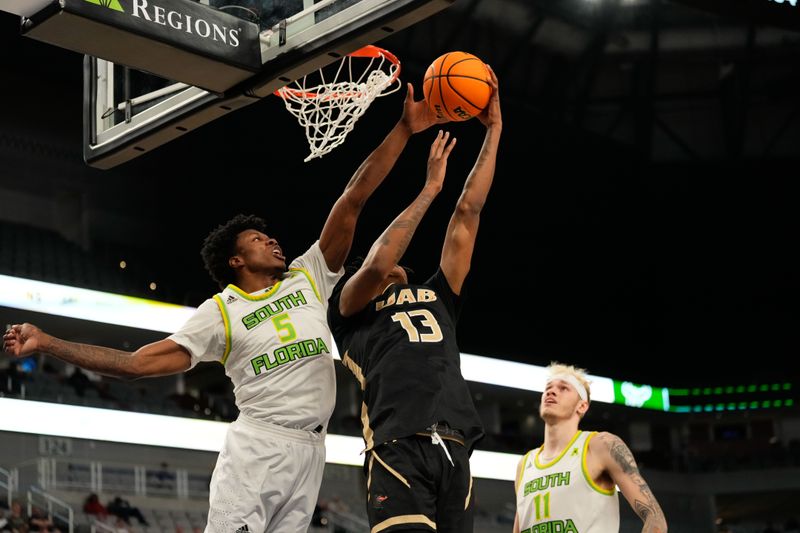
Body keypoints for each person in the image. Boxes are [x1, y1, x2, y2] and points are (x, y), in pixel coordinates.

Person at [2, 82, 445, 533]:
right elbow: (136, 365)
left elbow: (354, 198)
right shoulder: (221, 311)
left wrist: (404, 130)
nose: (272, 240)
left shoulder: (307, 275)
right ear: (236, 261)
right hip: (259, 449)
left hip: (313, 451)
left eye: (268, 235)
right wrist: (48, 342)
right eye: (257, 239)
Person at [327, 66, 501, 532]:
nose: (402, 267)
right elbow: (379, 265)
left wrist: (495, 131)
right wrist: (428, 190)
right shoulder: (349, 311)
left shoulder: (439, 296)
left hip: (455, 445)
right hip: (396, 445)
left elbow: (468, 211)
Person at [513, 363, 668, 533]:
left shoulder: (601, 445)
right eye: (548, 388)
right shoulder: (525, 464)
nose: (551, 391)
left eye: (563, 388)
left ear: (582, 405)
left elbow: (655, 519)